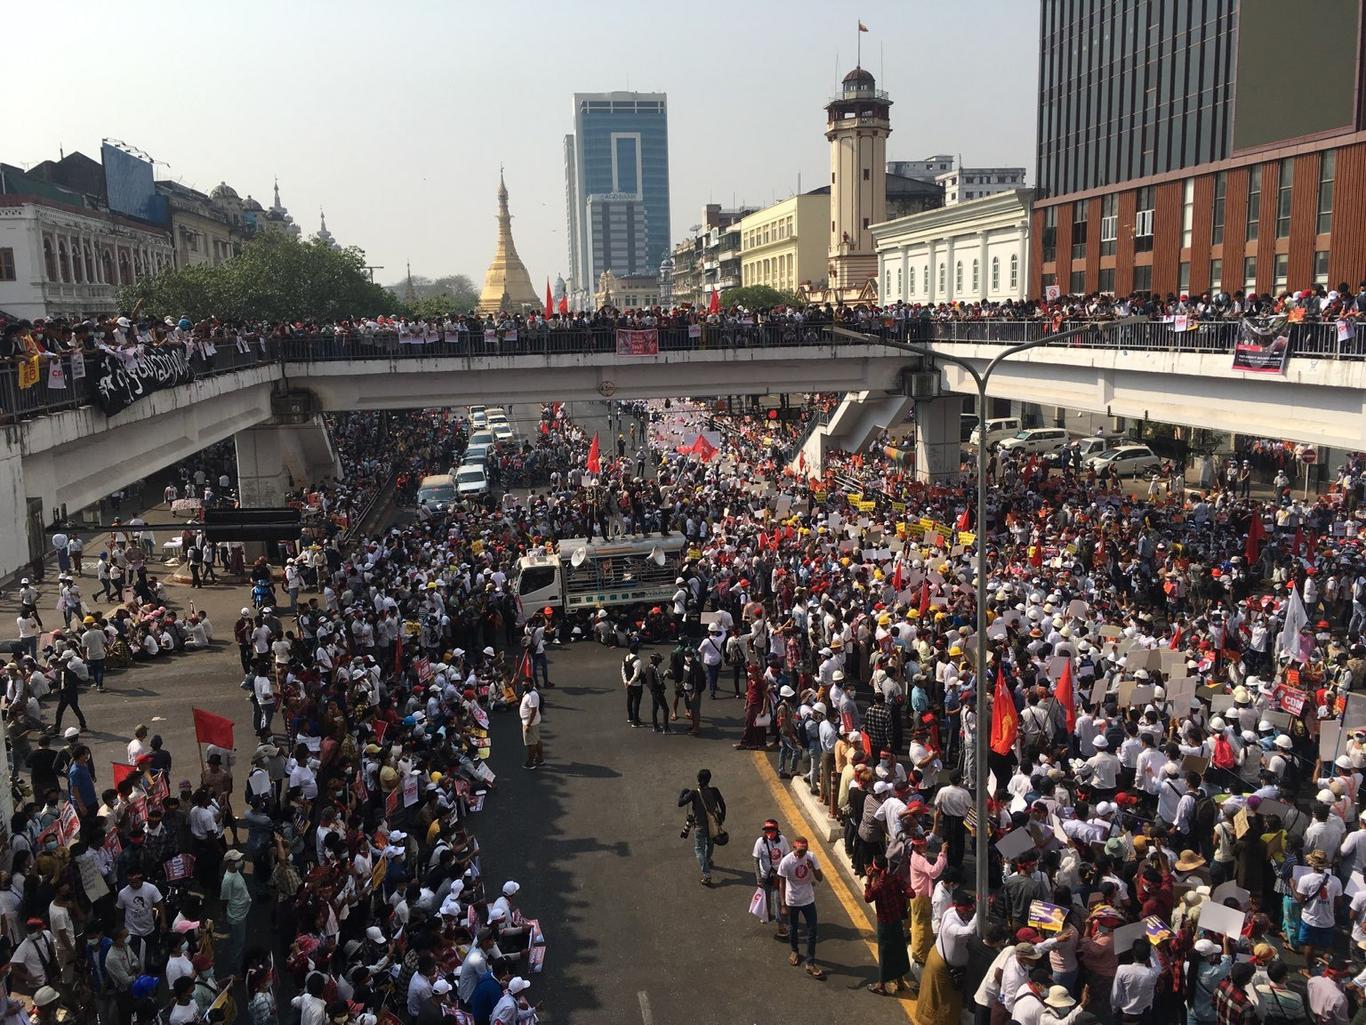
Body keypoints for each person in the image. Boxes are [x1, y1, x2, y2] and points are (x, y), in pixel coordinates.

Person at [777, 836, 825, 979]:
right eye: (799, 852)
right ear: (793, 848)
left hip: (808, 900)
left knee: (812, 930)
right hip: (792, 900)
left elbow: (820, 878)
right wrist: (783, 904)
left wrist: (813, 868)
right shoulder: (786, 862)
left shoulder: (811, 857)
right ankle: (794, 950)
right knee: (793, 927)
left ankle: (810, 962)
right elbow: (781, 883)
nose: (801, 855)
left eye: (804, 852)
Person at [864, 852, 911, 995]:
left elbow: (867, 897)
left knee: (884, 952)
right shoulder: (895, 878)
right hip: (896, 919)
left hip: (884, 922)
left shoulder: (878, 885)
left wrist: (868, 879)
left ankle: (882, 984)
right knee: (899, 948)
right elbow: (910, 892)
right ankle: (900, 979)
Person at [678, 768, 726, 885]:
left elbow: (680, 803)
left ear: (698, 779)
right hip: (712, 825)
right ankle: (708, 860)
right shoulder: (714, 791)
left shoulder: (694, 793)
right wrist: (721, 819)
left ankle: (706, 874)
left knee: (699, 849)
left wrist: (683, 792)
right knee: (710, 843)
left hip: (699, 826)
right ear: (709, 779)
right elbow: (723, 805)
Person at [753, 818, 791, 937]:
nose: (769, 832)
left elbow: (786, 857)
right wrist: (758, 878)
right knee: (766, 899)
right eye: (767, 830)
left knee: (778, 900)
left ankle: (780, 925)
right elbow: (756, 860)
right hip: (765, 876)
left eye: (772, 830)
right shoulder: (760, 842)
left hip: (778, 876)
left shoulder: (783, 841)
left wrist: (786, 875)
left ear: (777, 831)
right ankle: (767, 914)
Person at [519, 677, 544, 769]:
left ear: (531, 684)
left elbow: (533, 711)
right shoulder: (530, 692)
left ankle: (530, 763)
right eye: (523, 685)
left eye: (526, 685)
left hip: (530, 722)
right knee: (537, 740)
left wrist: (528, 725)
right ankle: (540, 759)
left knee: (531, 744)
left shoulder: (532, 696)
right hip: (534, 721)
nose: (524, 687)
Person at [645, 651, 671, 733]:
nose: (660, 662)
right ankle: (665, 728)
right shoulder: (655, 669)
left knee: (655, 708)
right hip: (658, 691)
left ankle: (655, 726)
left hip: (652, 690)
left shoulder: (648, 667)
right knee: (666, 709)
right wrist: (665, 673)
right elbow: (660, 681)